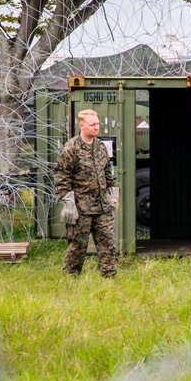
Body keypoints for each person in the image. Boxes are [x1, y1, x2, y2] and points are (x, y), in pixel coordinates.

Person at [55, 109, 119, 277]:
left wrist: (113, 196)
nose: (96, 127)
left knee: (108, 243)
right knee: (78, 245)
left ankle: (109, 276)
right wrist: (68, 203)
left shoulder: (100, 147)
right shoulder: (71, 148)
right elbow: (62, 176)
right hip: (81, 207)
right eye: (92, 124)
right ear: (81, 125)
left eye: (97, 124)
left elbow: (107, 173)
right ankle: (70, 278)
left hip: (102, 206)